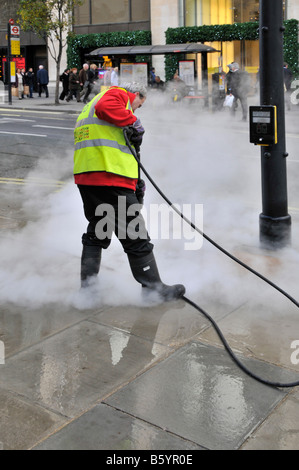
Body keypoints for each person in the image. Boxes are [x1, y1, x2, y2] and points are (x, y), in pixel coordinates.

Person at [73, 83, 186, 302]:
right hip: (109, 178)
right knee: (135, 233)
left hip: (88, 177)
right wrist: (134, 121)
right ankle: (154, 289)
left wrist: (134, 182)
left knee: (98, 231)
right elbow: (107, 107)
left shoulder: (89, 106)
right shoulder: (116, 94)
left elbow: (111, 145)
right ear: (136, 94)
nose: (135, 109)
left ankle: (89, 290)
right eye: (139, 104)